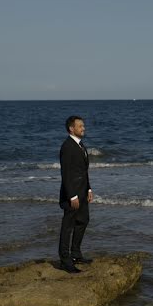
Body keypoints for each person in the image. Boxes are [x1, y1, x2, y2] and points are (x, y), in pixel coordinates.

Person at [58, 115, 94, 273]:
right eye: (80, 126)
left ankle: (76, 254)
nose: (83, 128)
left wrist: (89, 189)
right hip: (72, 194)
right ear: (71, 128)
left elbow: (83, 171)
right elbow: (66, 174)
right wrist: (72, 196)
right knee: (67, 226)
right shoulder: (67, 147)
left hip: (83, 192)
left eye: (83, 126)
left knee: (83, 220)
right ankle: (65, 260)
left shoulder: (80, 145)